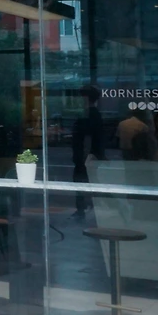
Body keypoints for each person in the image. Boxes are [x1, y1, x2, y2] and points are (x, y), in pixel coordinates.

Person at [71, 85, 105, 218]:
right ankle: (86, 208)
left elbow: (88, 138)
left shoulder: (88, 115)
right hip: (87, 156)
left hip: (85, 157)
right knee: (90, 182)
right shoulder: (93, 114)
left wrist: (86, 156)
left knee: (81, 181)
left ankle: (82, 209)